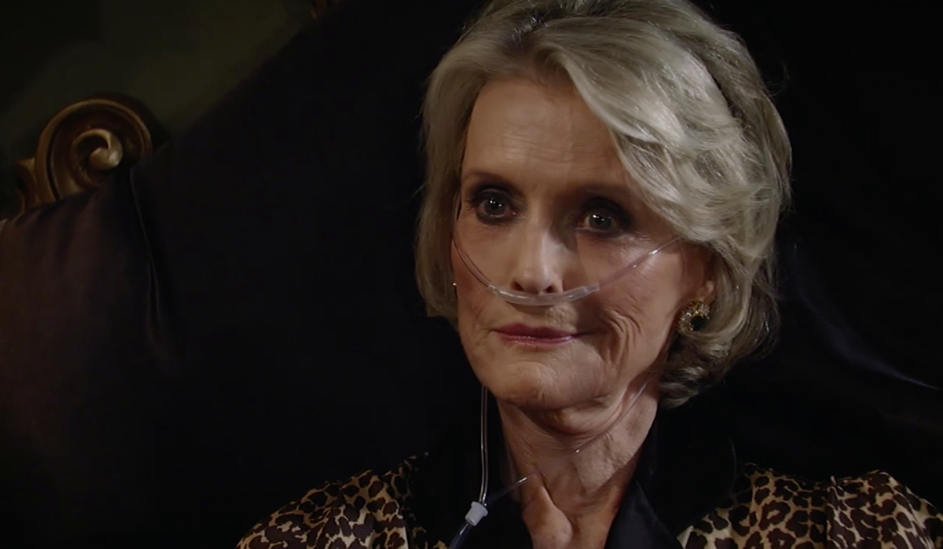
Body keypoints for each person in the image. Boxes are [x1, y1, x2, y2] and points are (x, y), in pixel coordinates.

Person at [236, 0, 943, 547]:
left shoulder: (860, 533)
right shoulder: (314, 539)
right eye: (493, 203)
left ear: (708, 268)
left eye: (603, 216)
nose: (532, 272)